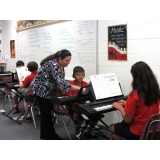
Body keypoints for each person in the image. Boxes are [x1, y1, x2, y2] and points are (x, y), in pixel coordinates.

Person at [30, 49, 85, 140]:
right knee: (46, 115)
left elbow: (57, 80)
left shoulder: (59, 64)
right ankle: (51, 137)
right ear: (60, 58)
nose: (68, 63)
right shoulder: (54, 65)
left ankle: (45, 136)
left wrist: (58, 85)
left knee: (45, 115)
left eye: (69, 60)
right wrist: (80, 88)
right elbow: (63, 83)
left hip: (46, 91)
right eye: (66, 60)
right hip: (41, 91)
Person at [109, 61, 160, 140]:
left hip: (136, 132)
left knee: (111, 128)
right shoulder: (156, 92)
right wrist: (127, 104)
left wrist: (120, 108)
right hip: (152, 130)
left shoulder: (134, 95)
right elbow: (143, 108)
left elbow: (127, 120)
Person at [65, 66, 99, 139]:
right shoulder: (70, 85)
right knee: (78, 120)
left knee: (97, 116)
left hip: (83, 105)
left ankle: (88, 132)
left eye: (82, 75)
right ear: (74, 75)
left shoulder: (86, 84)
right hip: (73, 106)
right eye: (78, 75)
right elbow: (69, 101)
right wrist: (75, 111)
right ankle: (77, 134)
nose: (80, 77)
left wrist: (94, 105)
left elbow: (90, 96)